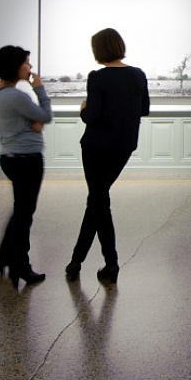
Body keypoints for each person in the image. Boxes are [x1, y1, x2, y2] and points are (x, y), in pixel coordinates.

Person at [66, 28, 151, 284]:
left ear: (99, 50)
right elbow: (144, 110)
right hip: (123, 148)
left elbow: (93, 117)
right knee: (97, 200)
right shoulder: (138, 75)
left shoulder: (98, 78)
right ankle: (75, 261)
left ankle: (110, 262)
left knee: (98, 201)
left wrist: (83, 109)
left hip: (95, 148)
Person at [0, 45, 53, 288]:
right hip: (27, 160)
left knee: (20, 211)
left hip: (11, 157)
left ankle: (4, 256)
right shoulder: (16, 95)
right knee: (25, 215)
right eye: (27, 63)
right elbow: (45, 116)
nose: (30, 67)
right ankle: (20, 265)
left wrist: (32, 122)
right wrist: (40, 89)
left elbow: (33, 121)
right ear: (15, 66)